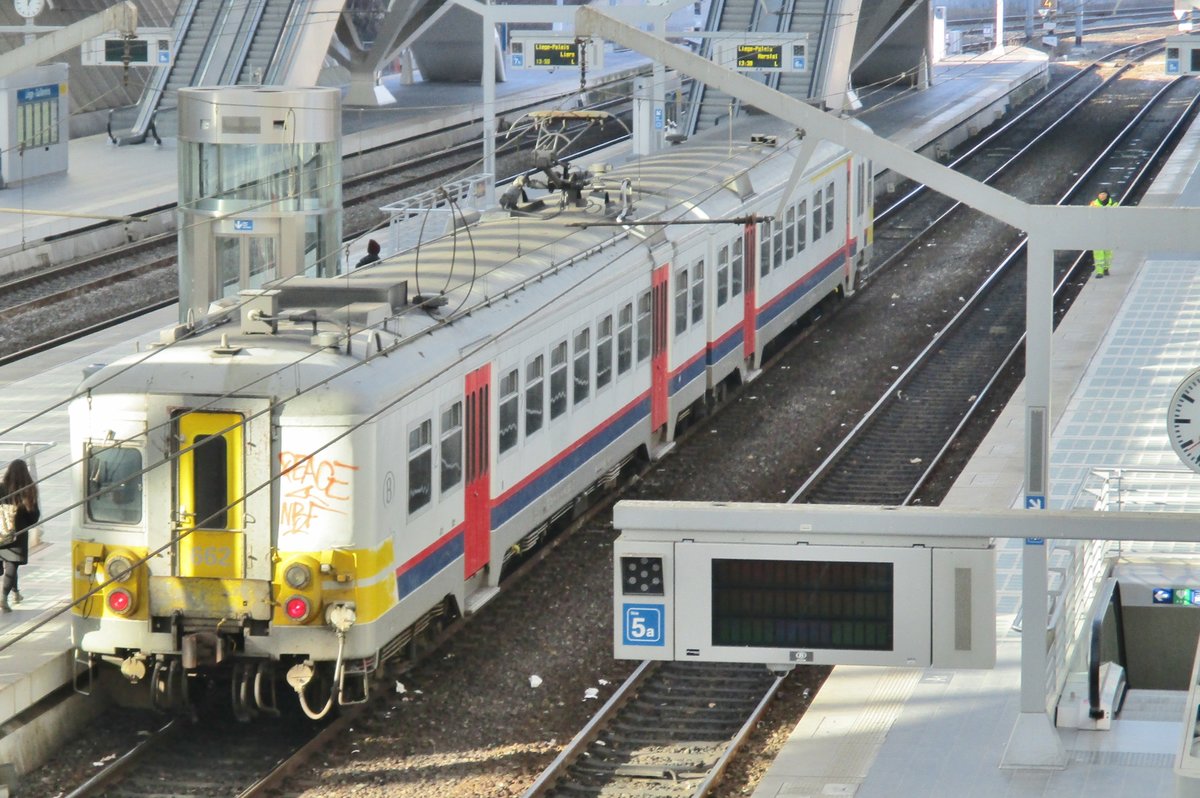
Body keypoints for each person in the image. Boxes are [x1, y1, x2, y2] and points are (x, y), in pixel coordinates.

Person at [0, 459, 39, 613]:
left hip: (1, 531)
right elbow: (33, 516)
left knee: (6, 561)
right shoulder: (29, 490)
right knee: (12, 564)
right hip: (18, 533)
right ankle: (4, 596)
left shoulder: (1, 487)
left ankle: (15, 592)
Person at [1090, 190, 1118, 278]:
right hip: (1097, 230)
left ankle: (1106, 268)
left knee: (1108, 251)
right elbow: (1090, 216)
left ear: (1107, 195)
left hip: (1109, 230)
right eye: (1100, 194)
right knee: (1098, 251)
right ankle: (1099, 271)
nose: (1102, 196)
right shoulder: (1093, 204)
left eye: (1104, 194)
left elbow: (1116, 216)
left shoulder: (1114, 204)